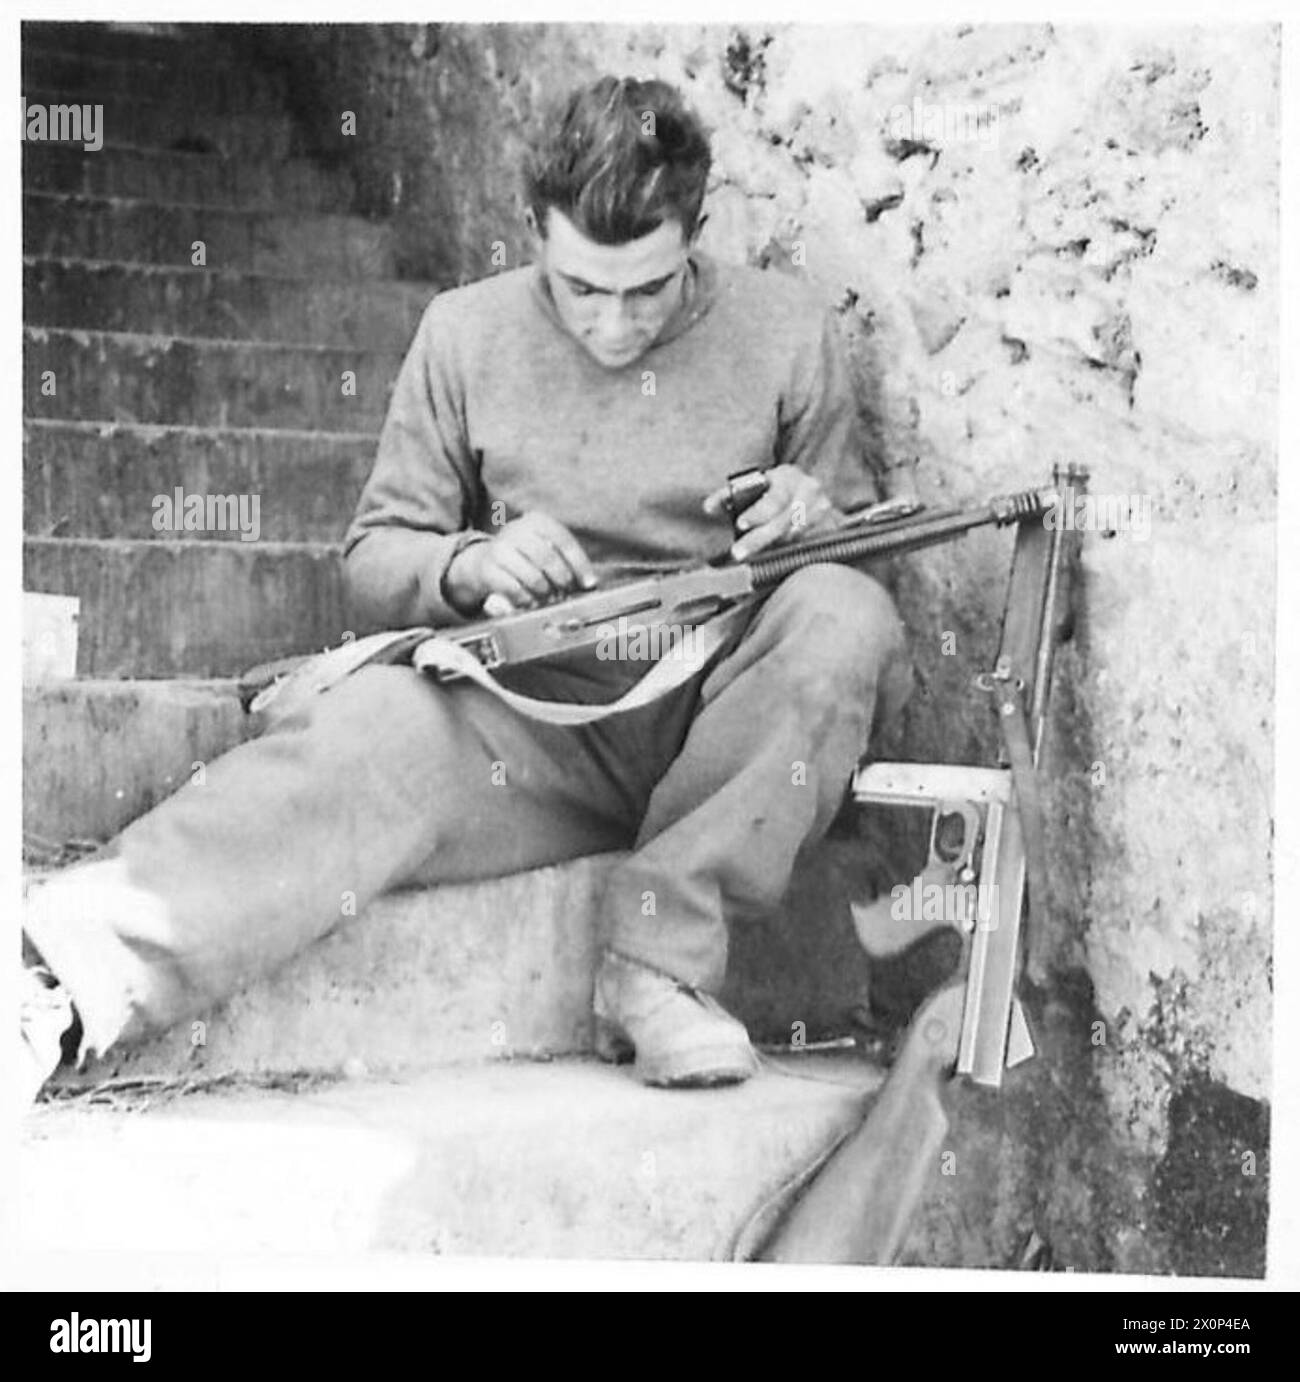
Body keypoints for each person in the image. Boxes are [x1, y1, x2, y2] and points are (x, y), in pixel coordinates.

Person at [20, 74, 910, 1104]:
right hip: (526, 724)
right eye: (580, 288)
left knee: (847, 614)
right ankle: (56, 980)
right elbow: (375, 556)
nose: (615, 326)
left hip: (720, 721)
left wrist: (818, 519)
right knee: (363, 737)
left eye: (648, 290)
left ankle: (658, 966)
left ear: (696, 229)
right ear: (532, 230)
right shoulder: (462, 330)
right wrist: (467, 565)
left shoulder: (786, 331)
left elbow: (861, 566)